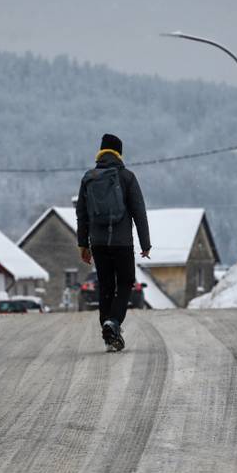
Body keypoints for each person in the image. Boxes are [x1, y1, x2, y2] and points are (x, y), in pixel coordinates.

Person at [76, 133, 151, 352]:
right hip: (122, 243)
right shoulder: (127, 177)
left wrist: (83, 244)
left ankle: (109, 334)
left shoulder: (88, 178)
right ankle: (114, 322)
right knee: (126, 282)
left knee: (106, 286)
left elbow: (81, 213)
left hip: (98, 243)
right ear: (119, 153)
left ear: (101, 152)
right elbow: (139, 212)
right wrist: (145, 244)